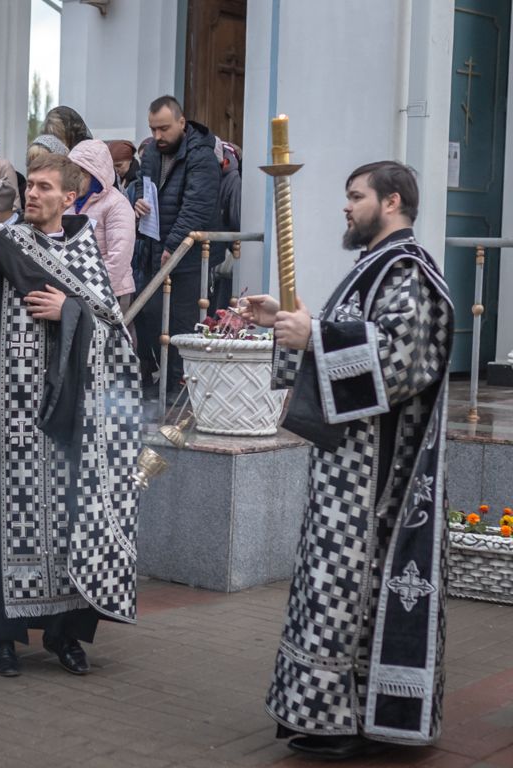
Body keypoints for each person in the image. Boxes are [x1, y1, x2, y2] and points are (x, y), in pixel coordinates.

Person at [242, 161, 453, 760]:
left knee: (353, 590)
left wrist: (315, 335)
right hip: (345, 469)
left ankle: (354, 721)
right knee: (329, 588)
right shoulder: (374, 266)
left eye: (355, 196)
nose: (346, 206)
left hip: (379, 480)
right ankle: (324, 713)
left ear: (391, 202)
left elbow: (400, 360)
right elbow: (345, 337)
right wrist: (286, 324)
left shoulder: (408, 272)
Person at [0, 153, 142, 678]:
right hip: (4, 417)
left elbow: (118, 341)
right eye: (31, 186)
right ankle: (1, 639)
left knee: (68, 525)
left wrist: (69, 311)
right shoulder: (0, 243)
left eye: (44, 187)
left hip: (67, 428)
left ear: (69, 197)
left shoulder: (85, 253)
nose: (33, 194)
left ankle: (65, 636)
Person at [128, 95, 220, 398]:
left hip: (186, 257)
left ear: (182, 122)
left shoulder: (201, 156)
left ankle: (181, 386)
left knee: (182, 323)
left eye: (164, 128)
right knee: (150, 315)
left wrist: (173, 245)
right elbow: (142, 185)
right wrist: (138, 200)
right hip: (154, 250)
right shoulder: (152, 154)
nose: (157, 136)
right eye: (153, 129)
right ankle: (165, 379)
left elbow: (197, 206)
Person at [67, 139, 137, 309]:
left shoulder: (117, 204)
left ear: (94, 173)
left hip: (112, 291)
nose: (72, 180)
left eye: (79, 173)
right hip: (76, 290)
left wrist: (96, 290)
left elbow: (119, 258)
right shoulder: (70, 201)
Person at [208, 138, 242, 312]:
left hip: (224, 245)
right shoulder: (220, 176)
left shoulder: (232, 179)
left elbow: (236, 218)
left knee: (220, 299)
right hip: (216, 246)